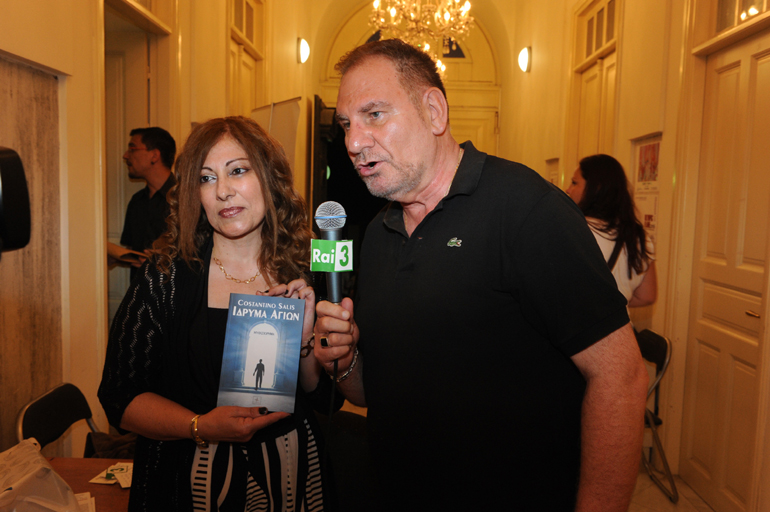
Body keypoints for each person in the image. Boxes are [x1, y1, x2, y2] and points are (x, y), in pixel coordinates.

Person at [313, 39, 649, 511]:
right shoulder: (376, 234)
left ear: (434, 111)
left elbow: (621, 377)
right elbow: (373, 393)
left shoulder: (527, 209)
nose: (353, 142)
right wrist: (345, 358)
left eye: (374, 115)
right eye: (347, 124)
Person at [99, 116, 341, 511]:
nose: (223, 191)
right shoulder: (164, 277)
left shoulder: (308, 268)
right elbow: (119, 398)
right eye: (206, 178)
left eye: (238, 171)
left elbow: (323, 396)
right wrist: (199, 426)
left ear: (269, 178)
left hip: (290, 470)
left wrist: (305, 346)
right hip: (188, 474)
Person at [566, 154, 657, 308]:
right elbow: (647, 296)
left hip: (578, 321)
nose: (568, 189)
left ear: (596, 188)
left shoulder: (573, 229)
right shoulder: (638, 236)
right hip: (620, 322)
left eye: (574, 183)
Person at [120, 127, 177, 279]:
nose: (125, 155)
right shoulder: (136, 201)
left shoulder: (184, 199)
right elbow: (131, 248)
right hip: (139, 287)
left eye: (132, 149)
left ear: (154, 155)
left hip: (174, 288)